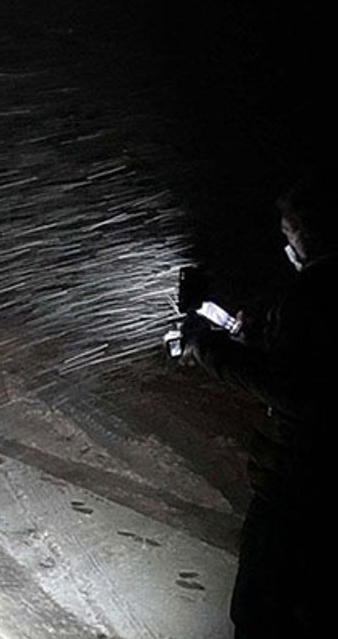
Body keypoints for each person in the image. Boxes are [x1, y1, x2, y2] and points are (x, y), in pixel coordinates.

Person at [181, 170, 334, 638]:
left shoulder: (314, 292)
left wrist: (206, 347)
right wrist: (242, 333)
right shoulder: (314, 295)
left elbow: (291, 387)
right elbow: (308, 360)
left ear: (309, 231)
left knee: (261, 610)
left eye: (290, 231)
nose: (287, 244)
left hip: (304, 484)